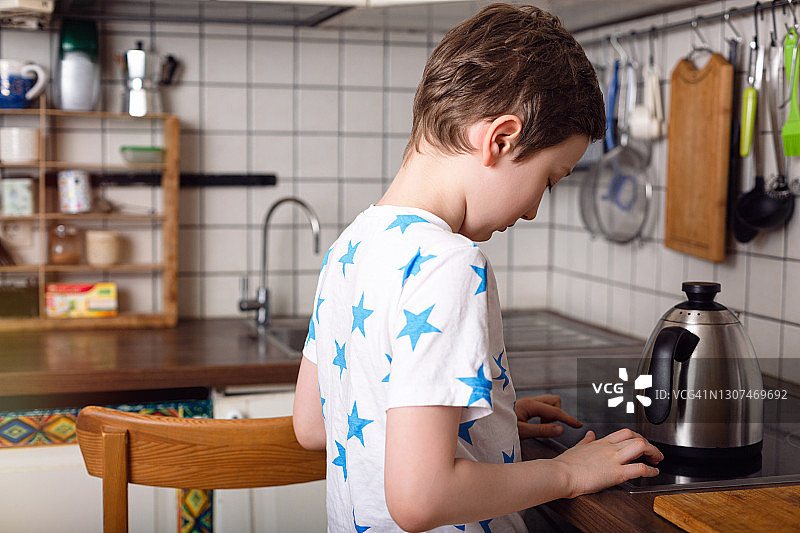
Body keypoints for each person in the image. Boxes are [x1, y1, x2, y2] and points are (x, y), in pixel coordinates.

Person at [293, 3, 663, 531]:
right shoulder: (452, 264)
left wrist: (478, 416)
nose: (534, 208)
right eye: (549, 179)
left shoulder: (351, 245)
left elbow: (312, 424)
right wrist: (568, 473)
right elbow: (422, 498)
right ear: (502, 139)